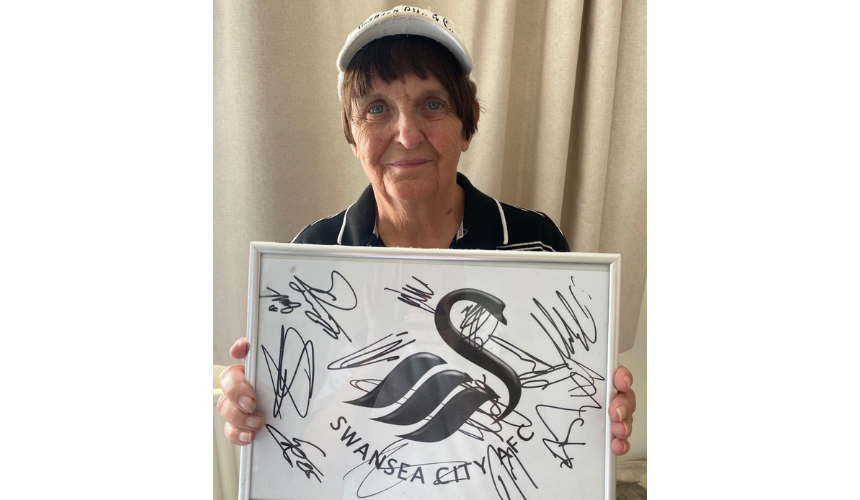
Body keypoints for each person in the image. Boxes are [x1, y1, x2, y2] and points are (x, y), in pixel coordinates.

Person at [217, 5, 636, 456]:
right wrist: (253, 405)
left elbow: (555, 397)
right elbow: (303, 427)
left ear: (468, 124)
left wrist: (595, 407)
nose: (407, 134)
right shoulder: (309, 258)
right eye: (376, 109)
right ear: (351, 135)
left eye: (432, 105)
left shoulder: (536, 243)